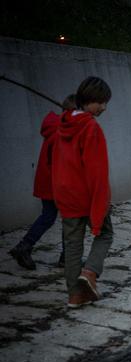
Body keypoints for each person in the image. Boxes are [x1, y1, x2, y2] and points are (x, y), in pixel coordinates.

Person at [52, 76, 114, 309]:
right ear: (89, 100)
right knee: (105, 234)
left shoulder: (63, 124)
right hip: (86, 195)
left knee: (72, 244)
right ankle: (89, 273)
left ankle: (74, 296)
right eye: (101, 102)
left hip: (66, 194)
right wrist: (101, 203)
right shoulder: (90, 128)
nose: (104, 108)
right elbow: (96, 171)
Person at [9, 95, 76, 270]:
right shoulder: (65, 132)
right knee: (70, 219)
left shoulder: (55, 127)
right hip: (59, 183)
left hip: (48, 182)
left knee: (48, 216)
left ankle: (24, 246)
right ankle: (66, 258)